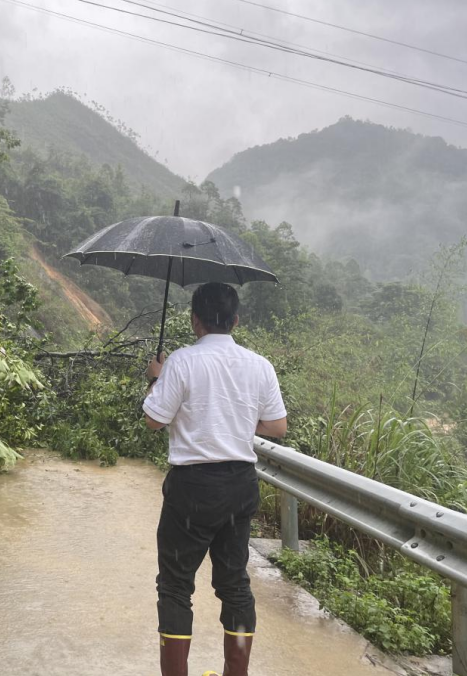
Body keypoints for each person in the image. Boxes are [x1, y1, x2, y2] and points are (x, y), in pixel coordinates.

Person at [143, 282, 287, 676]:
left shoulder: (182, 362)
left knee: (175, 586)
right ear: (235, 320)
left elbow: (155, 419)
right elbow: (277, 425)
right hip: (240, 485)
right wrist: (237, 418)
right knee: (235, 584)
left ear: (195, 321)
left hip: (192, 487)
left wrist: (156, 378)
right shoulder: (259, 365)